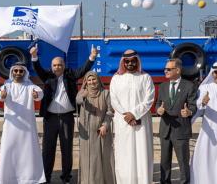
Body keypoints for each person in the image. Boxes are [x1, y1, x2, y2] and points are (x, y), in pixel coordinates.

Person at [30, 43, 98, 184]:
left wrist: (92, 57)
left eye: (59, 65)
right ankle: (46, 177)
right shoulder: (47, 76)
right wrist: (34, 56)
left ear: (64, 65)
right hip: (50, 119)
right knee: (48, 149)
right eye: (55, 65)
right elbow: (38, 69)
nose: (57, 67)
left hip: (67, 118)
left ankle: (66, 178)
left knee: (67, 149)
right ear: (52, 66)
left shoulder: (70, 75)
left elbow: (83, 69)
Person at [110, 50, 155, 184]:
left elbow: (149, 99)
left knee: (142, 152)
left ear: (137, 61)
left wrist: (134, 114)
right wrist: (127, 115)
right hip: (123, 122)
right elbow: (113, 100)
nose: (130, 63)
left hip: (141, 121)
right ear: (123, 62)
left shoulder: (145, 77)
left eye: (133, 61)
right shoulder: (116, 78)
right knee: (124, 152)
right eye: (127, 61)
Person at [0, 63, 46, 184]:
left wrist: (37, 95)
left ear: (25, 73)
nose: (18, 73)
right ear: (12, 72)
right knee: (8, 152)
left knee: (27, 152)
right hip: (10, 128)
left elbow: (39, 93)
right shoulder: (7, 85)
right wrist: (1, 95)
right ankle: (7, 179)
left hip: (27, 128)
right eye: (16, 71)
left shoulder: (30, 86)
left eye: (21, 71)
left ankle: (29, 179)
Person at [155, 58, 197, 184]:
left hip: (181, 130)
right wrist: (158, 110)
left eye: (169, 69)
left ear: (177, 70)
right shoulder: (163, 86)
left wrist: (189, 112)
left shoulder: (189, 86)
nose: (165, 71)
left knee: (183, 162)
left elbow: (193, 105)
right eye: (165, 69)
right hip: (165, 130)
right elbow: (157, 103)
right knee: (164, 162)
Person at [76, 71, 116, 184]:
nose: (92, 82)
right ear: (86, 81)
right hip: (87, 130)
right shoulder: (83, 92)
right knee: (88, 155)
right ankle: (87, 180)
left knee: (104, 155)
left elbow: (109, 111)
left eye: (94, 79)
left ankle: (104, 180)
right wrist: (84, 96)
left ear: (98, 80)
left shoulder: (106, 93)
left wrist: (105, 125)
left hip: (101, 128)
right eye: (89, 80)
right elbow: (77, 101)